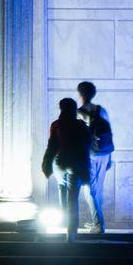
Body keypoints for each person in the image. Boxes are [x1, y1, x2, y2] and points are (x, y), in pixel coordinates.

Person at [41, 96, 93, 242]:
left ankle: (64, 220)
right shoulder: (80, 125)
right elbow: (88, 143)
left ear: (61, 108)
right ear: (74, 109)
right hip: (74, 163)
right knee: (73, 199)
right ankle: (71, 234)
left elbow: (51, 145)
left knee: (61, 189)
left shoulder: (56, 124)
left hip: (59, 162)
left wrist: (46, 163)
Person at [77, 81, 114, 234]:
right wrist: (110, 157)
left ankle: (99, 225)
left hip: (90, 154)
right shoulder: (101, 110)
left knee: (88, 190)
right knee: (97, 189)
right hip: (105, 153)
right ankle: (96, 222)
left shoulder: (79, 112)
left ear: (80, 94)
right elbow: (109, 133)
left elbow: (80, 138)